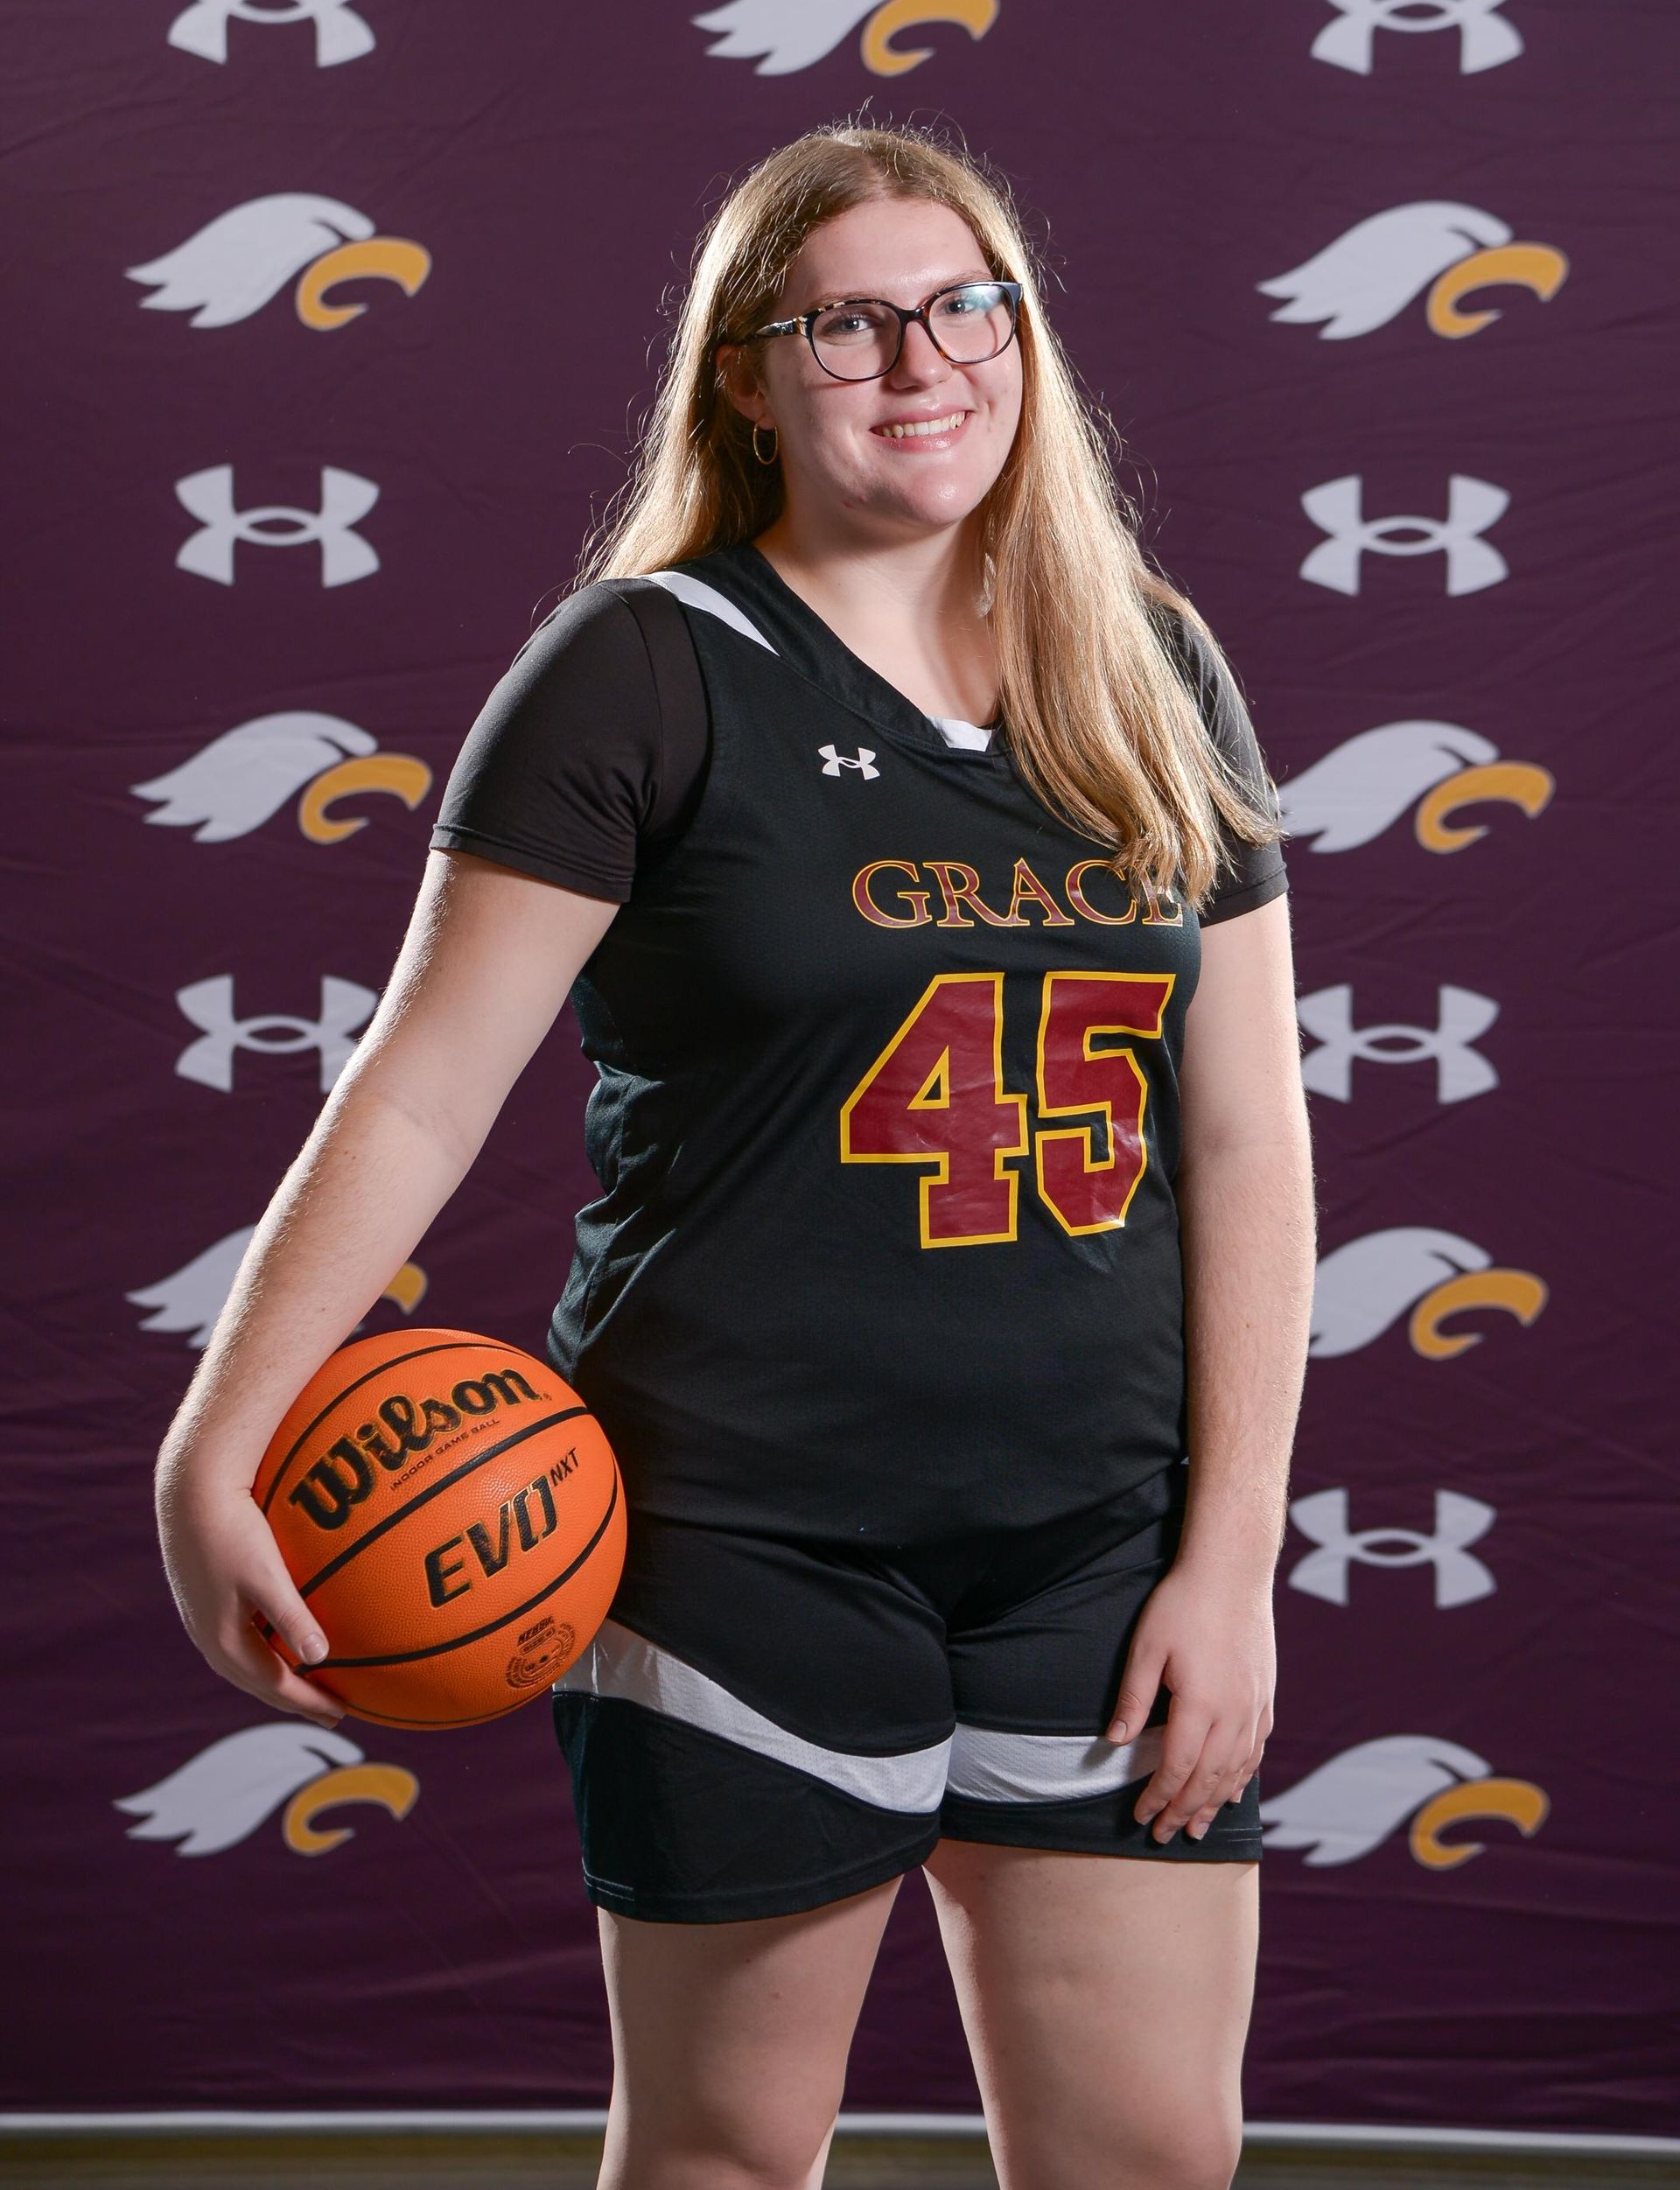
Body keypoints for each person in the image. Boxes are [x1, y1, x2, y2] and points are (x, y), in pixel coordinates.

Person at [155, 120, 1314, 2190]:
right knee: (723, 2157)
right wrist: (212, 1440)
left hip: (1094, 1542)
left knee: (1149, 2158)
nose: (920, 361)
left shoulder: (1144, 657)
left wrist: (1229, 1559)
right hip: (742, 1533)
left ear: (1025, 340)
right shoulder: (644, 669)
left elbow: (1247, 1137)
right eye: (847, 322)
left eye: (966, 305)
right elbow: (422, 1086)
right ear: (747, 378)